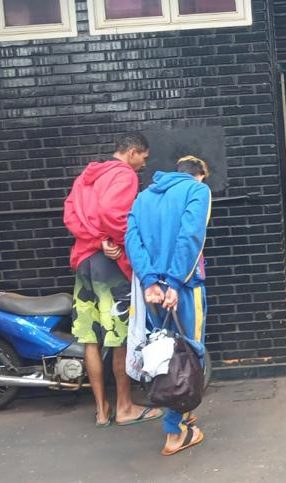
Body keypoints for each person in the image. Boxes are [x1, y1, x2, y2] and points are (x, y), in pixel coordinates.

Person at [63, 132, 163, 427]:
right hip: (110, 266)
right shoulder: (124, 174)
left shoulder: (86, 177)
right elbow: (112, 213)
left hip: (84, 261)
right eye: (143, 157)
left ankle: (101, 410)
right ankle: (124, 407)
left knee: (91, 338)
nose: (144, 164)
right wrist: (116, 241)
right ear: (132, 152)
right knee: (120, 337)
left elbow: (70, 217)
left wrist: (96, 241)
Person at [125, 155, 211, 456]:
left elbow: (132, 239)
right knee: (187, 354)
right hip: (183, 286)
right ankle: (175, 431)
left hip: (152, 291)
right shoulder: (198, 190)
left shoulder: (143, 197)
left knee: (161, 354)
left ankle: (183, 414)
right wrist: (174, 282)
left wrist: (150, 281)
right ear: (200, 175)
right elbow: (191, 236)